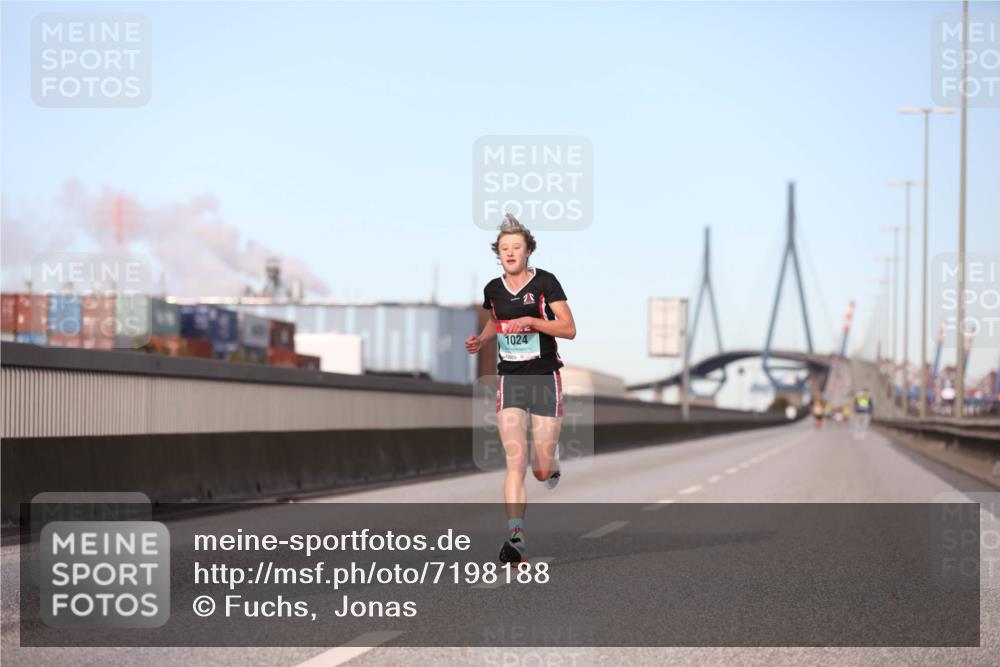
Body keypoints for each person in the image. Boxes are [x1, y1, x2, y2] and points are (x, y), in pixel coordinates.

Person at [465, 213, 576, 566]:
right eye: (503, 248)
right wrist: (480, 339)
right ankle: (516, 539)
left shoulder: (546, 282)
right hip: (510, 380)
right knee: (516, 461)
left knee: (540, 469)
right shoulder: (493, 289)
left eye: (516, 247)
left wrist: (532, 321)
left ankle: (552, 464)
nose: (510, 253)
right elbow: (495, 321)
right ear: (498, 254)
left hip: (544, 379)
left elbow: (569, 329)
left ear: (528, 251)